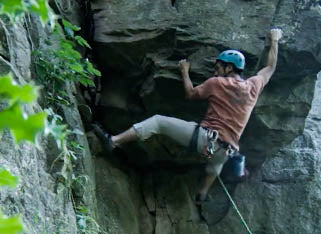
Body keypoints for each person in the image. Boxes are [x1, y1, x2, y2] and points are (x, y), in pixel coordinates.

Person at [94, 28, 282, 204]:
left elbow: (191, 94)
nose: (215, 71)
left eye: (218, 67)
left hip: (205, 139)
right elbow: (270, 68)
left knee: (159, 122)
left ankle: (114, 141)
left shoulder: (217, 83)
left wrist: (184, 72)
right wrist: (274, 40)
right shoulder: (253, 87)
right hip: (227, 151)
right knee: (215, 165)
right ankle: (203, 193)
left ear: (229, 68)